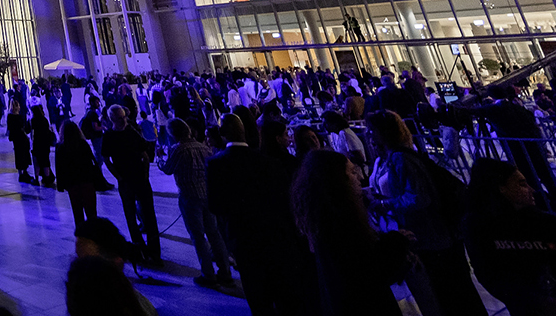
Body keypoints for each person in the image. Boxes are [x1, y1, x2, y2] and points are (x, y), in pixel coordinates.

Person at [364, 110, 485, 316]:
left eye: (371, 131)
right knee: (450, 292)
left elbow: (418, 197)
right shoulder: (391, 157)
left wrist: (386, 204)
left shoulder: (401, 158)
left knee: (454, 293)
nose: (368, 135)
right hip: (426, 235)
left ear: (383, 132)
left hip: (432, 235)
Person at [207, 113, 310, 315]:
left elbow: (216, 206)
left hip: (243, 237)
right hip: (275, 234)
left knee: (257, 296)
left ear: (223, 134)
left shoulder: (215, 164)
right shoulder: (267, 160)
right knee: (284, 294)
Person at [291, 149, 414, 316]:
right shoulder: (340, 222)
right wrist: (397, 243)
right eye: (352, 172)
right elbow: (369, 272)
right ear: (337, 180)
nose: (360, 178)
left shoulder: (323, 219)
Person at [464, 157, 556, 315]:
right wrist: (537, 301)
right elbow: (491, 275)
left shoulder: (544, 222)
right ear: (502, 188)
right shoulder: (480, 228)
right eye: (522, 184)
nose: (532, 190)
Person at [157, 118, 230, 287]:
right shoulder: (204, 147)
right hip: (206, 194)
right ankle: (225, 272)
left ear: (173, 134)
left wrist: (160, 158)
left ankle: (208, 274)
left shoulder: (178, 149)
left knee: (198, 237)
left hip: (189, 196)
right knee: (214, 234)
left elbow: (168, 169)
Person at [100, 104, 159, 262]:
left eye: (124, 117)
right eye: (120, 118)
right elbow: (106, 159)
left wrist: (145, 173)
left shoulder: (131, 132)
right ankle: (140, 250)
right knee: (132, 215)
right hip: (127, 179)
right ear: (112, 119)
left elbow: (144, 154)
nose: (123, 120)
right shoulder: (110, 136)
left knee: (147, 214)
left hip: (138, 177)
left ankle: (153, 252)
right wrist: (118, 176)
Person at [55, 119, 100, 232]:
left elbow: (59, 168)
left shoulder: (61, 147)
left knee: (77, 212)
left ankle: (81, 235)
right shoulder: (83, 144)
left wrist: (61, 185)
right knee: (91, 212)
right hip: (86, 181)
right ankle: (94, 234)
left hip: (72, 184)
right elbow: (91, 162)